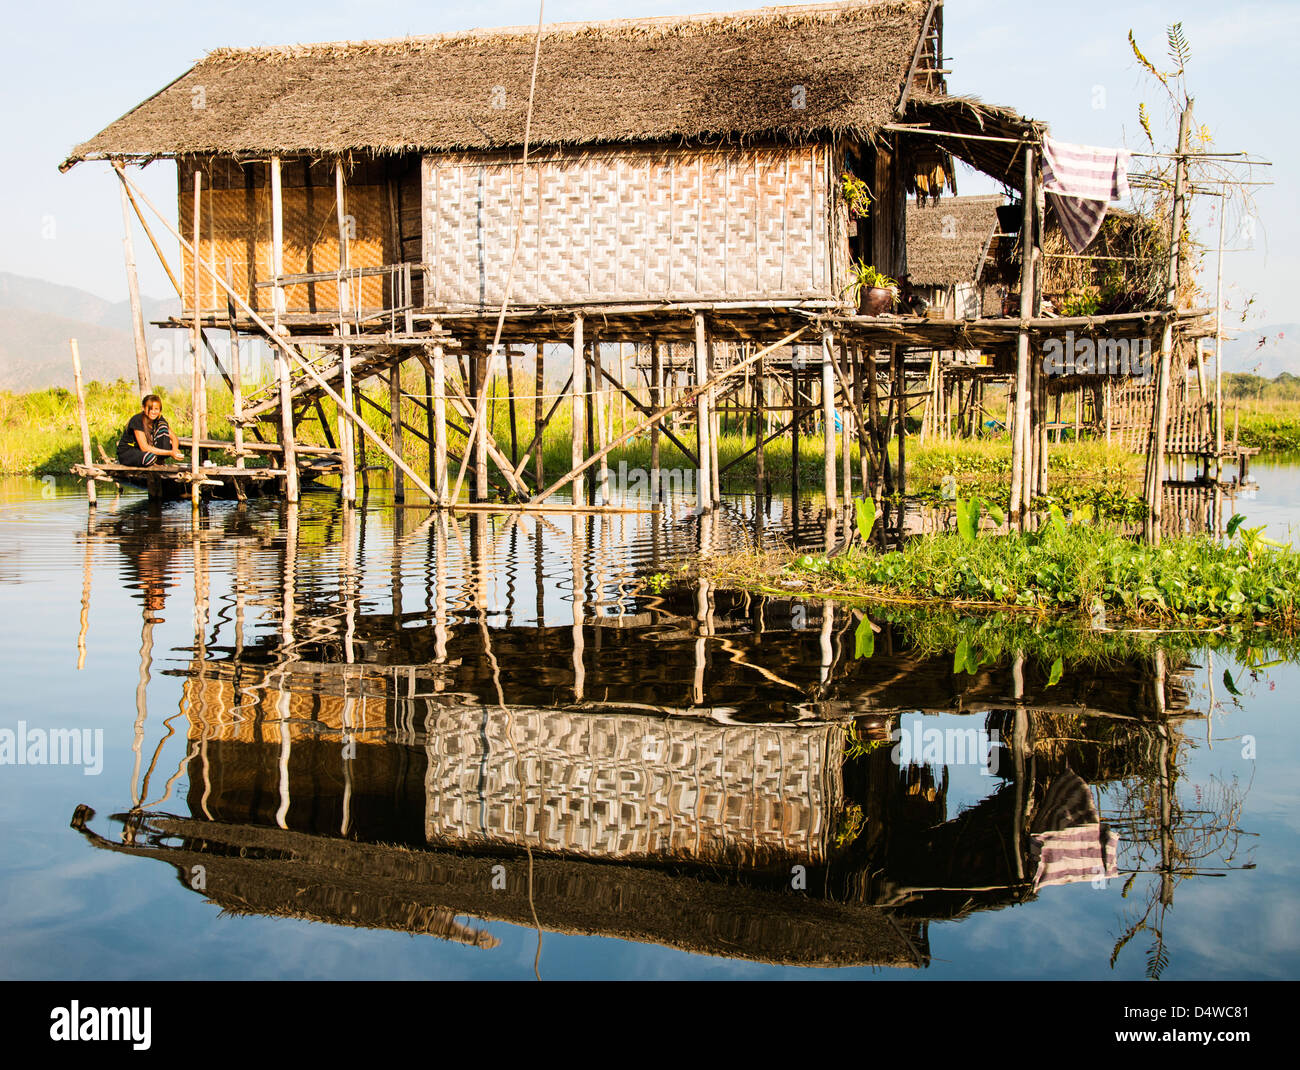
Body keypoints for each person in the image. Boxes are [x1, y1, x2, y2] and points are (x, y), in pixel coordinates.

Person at [117, 394, 183, 467]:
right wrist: (170, 453)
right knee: (149, 458)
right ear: (143, 408)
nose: (153, 412)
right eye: (150, 409)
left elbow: (174, 438)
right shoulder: (137, 420)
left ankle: (159, 460)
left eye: (156, 409)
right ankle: (155, 461)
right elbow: (144, 447)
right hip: (129, 452)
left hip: (144, 452)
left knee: (163, 426)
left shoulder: (159, 420)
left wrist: (175, 450)